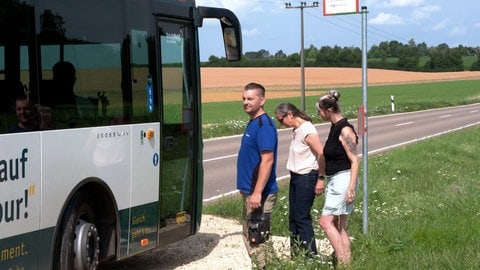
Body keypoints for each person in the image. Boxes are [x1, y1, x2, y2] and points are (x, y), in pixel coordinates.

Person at [274, 102, 325, 257]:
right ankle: (296, 253)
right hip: (296, 177)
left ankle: (310, 255)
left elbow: (322, 155)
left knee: (302, 217)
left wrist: (321, 179)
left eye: (281, 119)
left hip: (307, 177)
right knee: (293, 217)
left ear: (290, 114)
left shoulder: (308, 130)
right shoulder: (296, 130)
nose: (280, 123)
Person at [237, 82, 278, 268]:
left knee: (257, 239)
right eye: (244, 98)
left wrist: (257, 193)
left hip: (258, 193)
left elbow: (267, 160)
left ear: (262, 100)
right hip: (250, 191)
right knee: (251, 237)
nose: (246, 102)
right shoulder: (253, 122)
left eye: (250, 98)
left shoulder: (264, 126)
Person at [316, 90, 359, 265]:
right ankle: (346, 264)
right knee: (339, 227)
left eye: (320, 110)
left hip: (343, 179)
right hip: (335, 179)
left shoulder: (345, 129)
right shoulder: (335, 127)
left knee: (325, 222)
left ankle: (342, 261)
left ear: (329, 110)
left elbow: (355, 160)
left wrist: (350, 187)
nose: (318, 114)